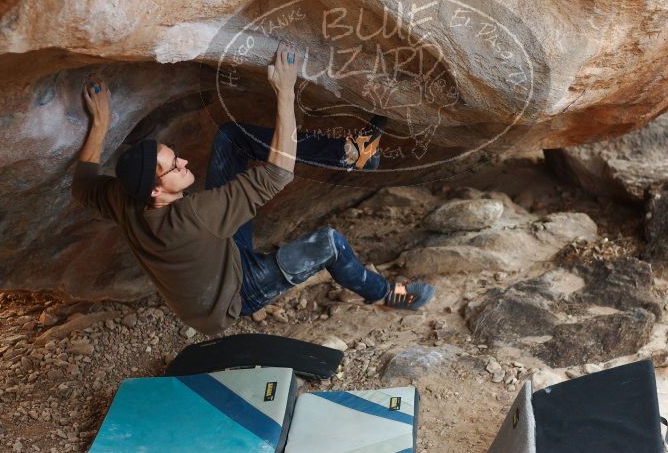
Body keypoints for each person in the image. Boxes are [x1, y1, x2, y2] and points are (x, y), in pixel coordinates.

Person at [72, 41, 435, 335]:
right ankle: (387, 294)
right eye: (173, 167)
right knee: (329, 244)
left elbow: (83, 182)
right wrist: (284, 92)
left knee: (232, 138)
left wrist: (101, 123)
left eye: (174, 156)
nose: (184, 163)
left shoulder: (124, 198)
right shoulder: (194, 216)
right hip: (235, 296)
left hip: (220, 255)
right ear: (155, 192)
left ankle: (348, 154)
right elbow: (279, 173)